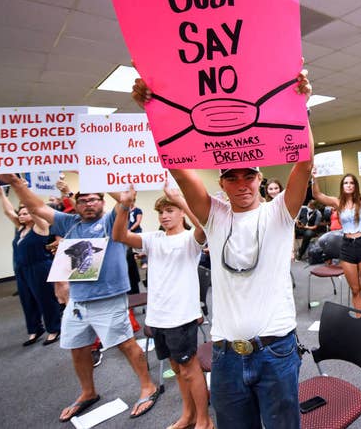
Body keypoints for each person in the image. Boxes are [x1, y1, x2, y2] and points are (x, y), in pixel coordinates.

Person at [132, 68, 313, 429]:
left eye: (250, 175)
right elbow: (180, 170)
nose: (242, 183)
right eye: (233, 176)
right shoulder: (214, 217)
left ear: (261, 179)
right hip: (227, 355)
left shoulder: (278, 214)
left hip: (275, 351)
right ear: (222, 182)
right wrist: (153, 111)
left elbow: (304, 163)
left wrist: (301, 106)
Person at [0, 174, 159, 422]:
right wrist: (16, 183)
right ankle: (88, 392)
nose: (88, 204)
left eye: (93, 200)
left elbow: (127, 201)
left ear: (102, 202)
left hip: (109, 297)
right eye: (83, 200)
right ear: (75, 203)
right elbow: (36, 206)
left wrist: (93, 172)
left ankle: (148, 386)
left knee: (125, 343)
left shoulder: (110, 220)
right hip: (78, 300)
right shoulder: (68, 223)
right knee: (78, 347)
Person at [113, 184, 213, 429]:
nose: (165, 216)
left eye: (170, 210)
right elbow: (119, 236)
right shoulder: (152, 239)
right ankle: (188, 415)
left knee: (190, 370)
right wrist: (125, 206)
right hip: (158, 317)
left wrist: (180, 198)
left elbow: (204, 227)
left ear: (180, 213)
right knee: (177, 370)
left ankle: (204, 420)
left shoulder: (189, 239)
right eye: (161, 212)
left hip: (181, 317)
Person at [311, 162, 361, 312]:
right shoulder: (338, 202)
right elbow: (317, 195)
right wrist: (314, 179)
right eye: (346, 183)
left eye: (351, 183)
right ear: (342, 186)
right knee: (355, 289)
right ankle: (360, 322)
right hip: (347, 246)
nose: (348, 185)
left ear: (355, 186)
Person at [0, 184, 61, 346]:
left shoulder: (41, 227)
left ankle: (53, 329)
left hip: (39, 268)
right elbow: (8, 211)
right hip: (21, 269)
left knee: (45, 299)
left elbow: (34, 208)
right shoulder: (20, 229)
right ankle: (34, 329)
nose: (21, 215)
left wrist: (23, 191)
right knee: (27, 300)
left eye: (25, 213)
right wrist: (1, 193)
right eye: (20, 213)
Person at [125, 196, 143, 293]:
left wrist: (131, 229)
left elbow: (138, 221)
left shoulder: (138, 210)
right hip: (126, 232)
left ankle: (140, 258)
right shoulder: (125, 210)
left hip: (135, 231)